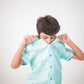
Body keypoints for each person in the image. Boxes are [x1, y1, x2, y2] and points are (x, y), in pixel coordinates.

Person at [11, 15, 84, 84]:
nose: (49, 41)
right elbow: (14, 65)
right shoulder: (33, 46)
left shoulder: (58, 44)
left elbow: (81, 57)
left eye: (52, 37)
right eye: (45, 37)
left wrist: (69, 42)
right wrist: (23, 44)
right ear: (38, 32)